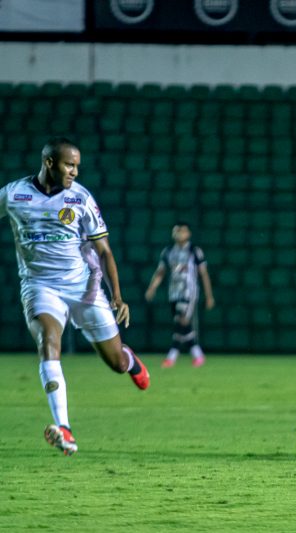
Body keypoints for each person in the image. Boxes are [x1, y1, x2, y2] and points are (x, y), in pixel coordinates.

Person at [0, 137, 150, 456]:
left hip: (83, 289)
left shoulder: (80, 198)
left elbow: (104, 250)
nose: (75, 172)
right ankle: (64, 428)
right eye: (70, 165)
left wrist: (118, 297)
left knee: (115, 362)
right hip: (39, 286)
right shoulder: (14, 194)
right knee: (48, 343)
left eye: (77, 166)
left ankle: (128, 358)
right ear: (49, 163)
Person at [145, 222, 215, 368]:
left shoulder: (194, 251)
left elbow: (203, 274)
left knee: (181, 321)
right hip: (174, 293)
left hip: (189, 292)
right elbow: (161, 272)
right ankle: (197, 354)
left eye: (182, 231)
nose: (179, 234)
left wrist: (209, 295)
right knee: (182, 324)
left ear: (188, 234)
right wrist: (152, 288)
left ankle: (172, 355)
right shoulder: (168, 251)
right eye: (176, 231)